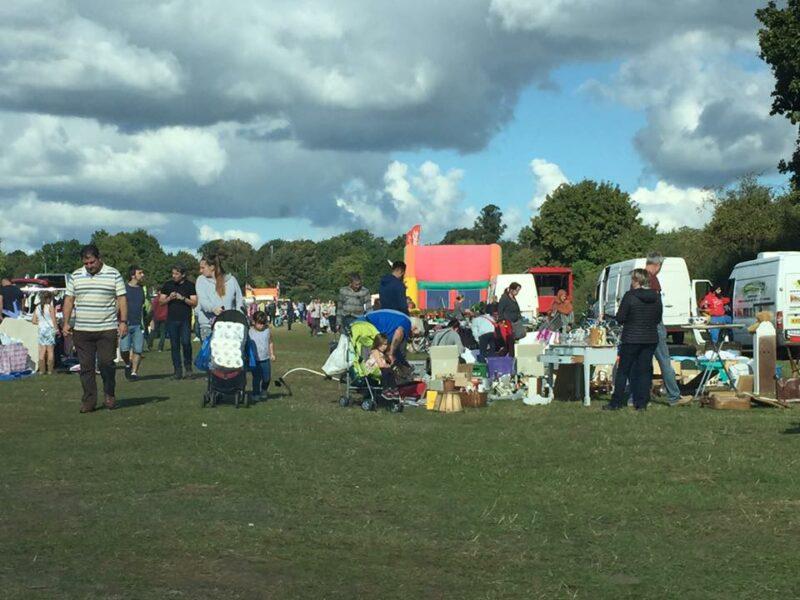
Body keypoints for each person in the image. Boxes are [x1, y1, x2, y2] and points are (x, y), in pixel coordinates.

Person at [61, 244, 128, 413]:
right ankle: (89, 401)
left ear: (99, 259)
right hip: (82, 330)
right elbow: (69, 300)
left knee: (106, 363)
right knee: (86, 367)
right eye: (86, 263)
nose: (89, 266)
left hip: (107, 328)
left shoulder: (113, 274)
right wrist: (66, 322)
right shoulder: (76, 276)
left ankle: (109, 394)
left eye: (92, 262)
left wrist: (123, 321)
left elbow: (122, 299)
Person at [643, 252, 691, 406]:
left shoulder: (638, 278)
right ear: (657, 265)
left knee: (643, 362)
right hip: (655, 325)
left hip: (642, 326)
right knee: (664, 361)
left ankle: (641, 395)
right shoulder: (652, 279)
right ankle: (674, 396)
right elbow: (655, 305)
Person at [159, 265, 197, 379]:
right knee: (174, 346)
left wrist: (183, 298)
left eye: (176, 274)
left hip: (185, 319)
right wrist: (169, 298)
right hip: (172, 320)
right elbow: (161, 302)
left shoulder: (190, 285)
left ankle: (188, 367)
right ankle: (177, 371)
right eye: (173, 273)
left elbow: (194, 302)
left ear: (183, 275)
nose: (174, 276)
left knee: (186, 343)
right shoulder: (168, 285)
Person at [196, 254, 244, 341]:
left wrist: (239, 317)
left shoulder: (231, 280)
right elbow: (203, 301)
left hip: (229, 325)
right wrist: (213, 309)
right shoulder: (200, 280)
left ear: (212, 267)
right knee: (210, 354)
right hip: (208, 325)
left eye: (203, 268)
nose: (200, 271)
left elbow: (239, 300)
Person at [121, 266, 146, 379]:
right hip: (126, 323)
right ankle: (127, 364)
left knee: (138, 349)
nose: (142, 275)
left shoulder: (142, 289)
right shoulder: (124, 288)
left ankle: (134, 372)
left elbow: (143, 307)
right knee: (124, 349)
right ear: (133, 275)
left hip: (138, 325)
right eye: (140, 273)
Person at [250, 311, 276, 401]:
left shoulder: (267, 331)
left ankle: (264, 390)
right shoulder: (250, 332)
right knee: (256, 378)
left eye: (263, 324)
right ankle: (255, 394)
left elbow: (270, 342)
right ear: (254, 322)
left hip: (265, 359)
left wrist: (272, 354)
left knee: (267, 378)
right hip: (255, 360)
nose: (261, 326)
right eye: (259, 323)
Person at [31, 291, 58, 375]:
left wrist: (41, 323)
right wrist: (56, 329)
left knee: (42, 351)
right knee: (50, 350)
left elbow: (33, 321)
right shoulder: (50, 307)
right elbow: (53, 320)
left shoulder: (37, 307)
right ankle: (50, 370)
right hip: (49, 329)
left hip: (41, 330)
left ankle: (42, 370)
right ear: (49, 298)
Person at [149, 287, 168, 352]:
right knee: (163, 333)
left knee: (153, 331)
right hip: (164, 317)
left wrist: (151, 318)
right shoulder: (166, 299)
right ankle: (160, 348)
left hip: (156, 317)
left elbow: (153, 309)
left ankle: (149, 345)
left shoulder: (156, 299)